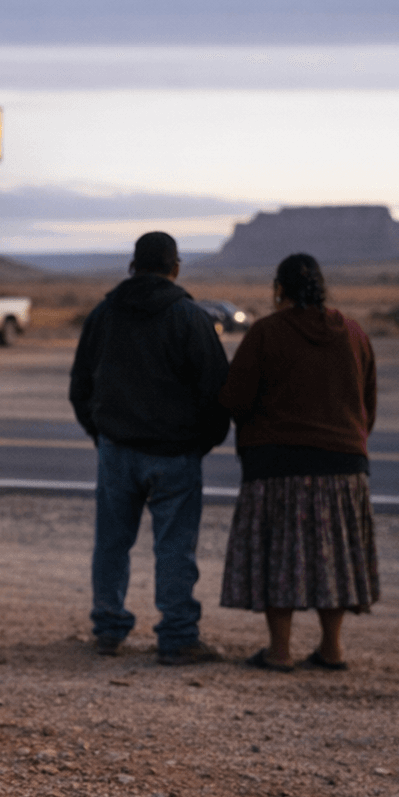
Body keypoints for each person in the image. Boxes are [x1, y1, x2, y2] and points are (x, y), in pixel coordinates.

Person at [68, 231, 231, 665]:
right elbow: (217, 389)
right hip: (175, 454)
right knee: (175, 547)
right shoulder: (190, 318)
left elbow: (80, 384)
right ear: (174, 267)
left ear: (132, 266)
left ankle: (108, 628)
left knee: (111, 543)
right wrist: (201, 442)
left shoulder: (104, 315)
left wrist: (102, 433)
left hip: (117, 449)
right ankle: (177, 636)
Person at [218, 253, 379, 671]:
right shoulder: (354, 333)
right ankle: (332, 648)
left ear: (279, 290)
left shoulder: (266, 333)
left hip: (276, 467)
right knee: (333, 557)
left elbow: (235, 398)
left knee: (281, 556)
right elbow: (367, 404)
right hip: (344, 466)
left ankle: (279, 651)